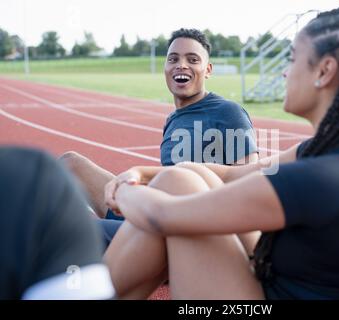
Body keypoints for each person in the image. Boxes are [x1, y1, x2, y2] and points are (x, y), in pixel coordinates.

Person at [104, 5, 339, 300]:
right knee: (185, 176)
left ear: (324, 71)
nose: (285, 72)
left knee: (176, 191)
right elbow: (230, 173)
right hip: (277, 283)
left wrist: (124, 191)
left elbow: (162, 217)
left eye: (293, 58)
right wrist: (141, 173)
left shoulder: (323, 176)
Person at [60, 28, 258, 247]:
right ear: (165, 68)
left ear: (208, 69)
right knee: (70, 164)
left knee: (73, 231)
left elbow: (249, 182)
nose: (181, 64)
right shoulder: (174, 119)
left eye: (192, 59)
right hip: (154, 210)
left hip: (185, 228)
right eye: (173, 59)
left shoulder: (228, 112)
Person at [0, 146, 114, 299]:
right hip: (143, 197)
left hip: (151, 216)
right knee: (71, 162)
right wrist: (137, 175)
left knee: (50, 228)